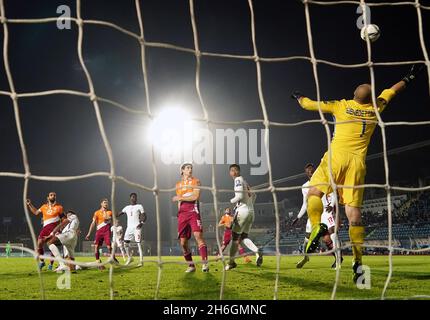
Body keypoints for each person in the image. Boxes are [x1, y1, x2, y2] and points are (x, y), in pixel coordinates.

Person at [291, 64, 424, 283]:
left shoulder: (340, 105)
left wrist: (298, 97)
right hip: (357, 164)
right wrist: (410, 76)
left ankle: (316, 227)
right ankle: (358, 261)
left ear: (353, 95)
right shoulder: (376, 107)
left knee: (313, 193)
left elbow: (308, 105)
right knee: (354, 214)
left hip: (336, 157)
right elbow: (393, 89)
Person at [292, 163, 343, 269]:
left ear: (314, 170)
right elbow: (305, 203)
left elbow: (333, 193)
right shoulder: (305, 186)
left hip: (325, 210)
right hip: (313, 212)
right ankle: (305, 258)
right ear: (306, 173)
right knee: (307, 239)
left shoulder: (323, 180)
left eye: (312, 170)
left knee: (331, 233)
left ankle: (338, 260)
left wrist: (332, 205)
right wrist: (298, 216)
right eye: (308, 171)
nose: (310, 172)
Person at [172, 162, 209, 273]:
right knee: (183, 243)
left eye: (191, 168)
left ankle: (205, 264)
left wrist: (181, 197)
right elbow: (179, 201)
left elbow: (195, 197)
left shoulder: (196, 181)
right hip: (182, 213)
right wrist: (179, 212)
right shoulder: (178, 184)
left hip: (193, 210)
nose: (190, 169)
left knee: (198, 236)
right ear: (182, 170)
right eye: (188, 168)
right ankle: (191, 266)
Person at [225, 164, 263, 271]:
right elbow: (254, 195)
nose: (233, 172)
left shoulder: (237, 180)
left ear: (235, 172)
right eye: (232, 170)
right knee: (244, 237)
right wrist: (249, 206)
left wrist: (231, 201)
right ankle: (256, 250)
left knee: (234, 238)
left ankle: (231, 262)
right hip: (251, 212)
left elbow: (239, 196)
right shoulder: (245, 182)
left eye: (234, 170)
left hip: (242, 212)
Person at [26, 192, 64, 270]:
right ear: (48, 198)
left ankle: (51, 264)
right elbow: (36, 212)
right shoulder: (44, 207)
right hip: (45, 228)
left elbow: (64, 220)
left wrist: (61, 228)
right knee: (39, 243)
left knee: (52, 246)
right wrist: (30, 204)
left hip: (55, 229)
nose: (53, 196)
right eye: (51, 195)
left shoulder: (59, 207)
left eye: (54, 195)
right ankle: (42, 262)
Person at [85, 199, 118, 269]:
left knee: (109, 247)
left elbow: (108, 218)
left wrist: (107, 215)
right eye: (104, 203)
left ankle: (113, 258)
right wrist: (89, 233)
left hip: (106, 231)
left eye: (107, 203)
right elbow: (93, 223)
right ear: (101, 204)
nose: (106, 204)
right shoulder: (96, 213)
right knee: (96, 247)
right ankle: (98, 262)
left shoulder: (109, 212)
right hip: (99, 232)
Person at [117, 193, 146, 266]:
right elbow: (119, 213)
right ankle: (130, 258)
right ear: (130, 198)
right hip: (129, 228)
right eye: (132, 197)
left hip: (137, 227)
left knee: (138, 244)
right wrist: (111, 214)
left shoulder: (139, 206)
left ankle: (141, 262)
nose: (134, 198)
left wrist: (141, 223)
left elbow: (144, 215)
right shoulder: (127, 207)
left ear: (136, 198)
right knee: (125, 243)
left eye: (135, 197)